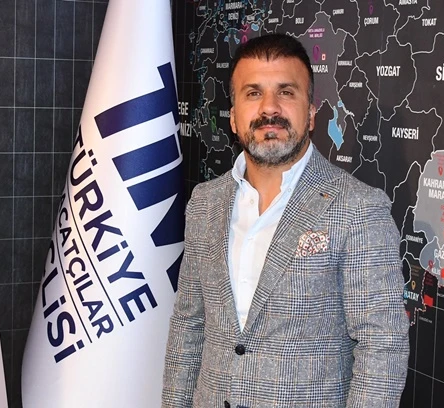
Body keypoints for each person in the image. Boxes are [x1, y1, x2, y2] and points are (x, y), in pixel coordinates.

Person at [162, 33, 409, 408]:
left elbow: (382, 346)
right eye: (253, 93)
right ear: (233, 117)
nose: (270, 108)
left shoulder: (358, 208)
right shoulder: (204, 203)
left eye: (286, 92)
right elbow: (188, 325)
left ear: (311, 114)